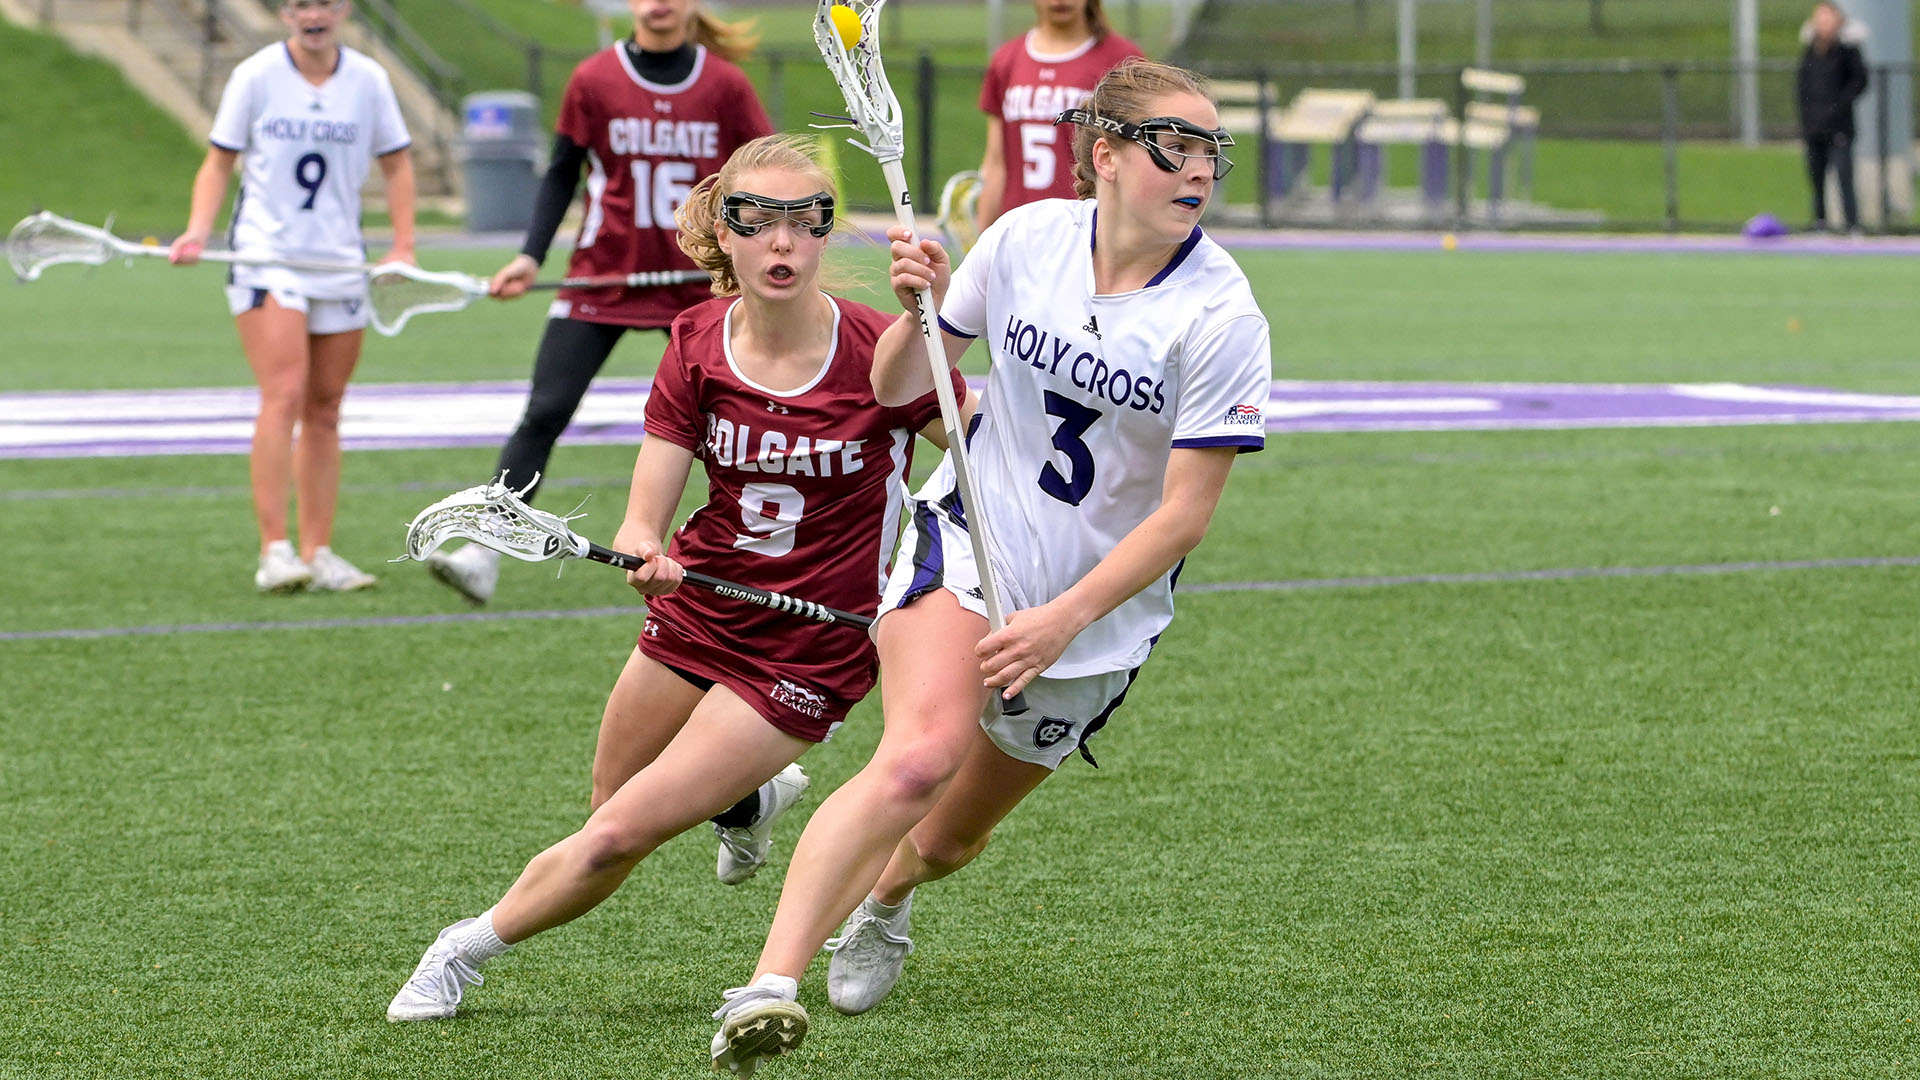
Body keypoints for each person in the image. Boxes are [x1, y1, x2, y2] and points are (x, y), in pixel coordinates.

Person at [708, 60, 1272, 1074]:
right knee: (916, 758)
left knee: (948, 840)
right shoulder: (1021, 241)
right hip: (966, 536)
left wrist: (1061, 622)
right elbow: (894, 390)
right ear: (1105, 154)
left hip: (1093, 616)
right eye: (1173, 146)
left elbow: (1184, 516)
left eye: (1210, 152)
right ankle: (768, 986)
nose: (1199, 169)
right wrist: (913, 311)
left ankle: (886, 901)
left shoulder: (1222, 320)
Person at [385, 134, 968, 1024]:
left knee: (621, 834)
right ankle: (749, 802)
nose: (781, 244)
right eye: (757, 221)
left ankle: (461, 950)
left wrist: (938, 332)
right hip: (701, 608)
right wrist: (642, 545)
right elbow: (653, 487)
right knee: (605, 808)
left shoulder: (879, 354)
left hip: (808, 648)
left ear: (825, 236)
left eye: (803, 223)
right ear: (723, 232)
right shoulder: (697, 335)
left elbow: (982, 458)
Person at [425, 0, 774, 604]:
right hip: (605, 280)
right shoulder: (593, 79)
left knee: (748, 421)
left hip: (699, 284)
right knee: (544, 412)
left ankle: (769, 555)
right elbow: (563, 172)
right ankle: (483, 552)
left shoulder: (724, 85)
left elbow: (765, 178)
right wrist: (529, 257)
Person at [169, 0, 415, 592]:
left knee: (325, 408)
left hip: (338, 260)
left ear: (344, 10)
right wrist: (198, 231)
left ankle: (319, 551)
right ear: (284, 13)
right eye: (301, 3)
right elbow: (219, 160)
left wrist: (402, 245)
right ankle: (274, 550)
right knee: (282, 393)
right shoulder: (255, 75)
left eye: (325, 3)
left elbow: (398, 165)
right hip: (267, 257)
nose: (314, 14)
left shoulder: (368, 80)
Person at [976, 0, 1143, 228]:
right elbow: (996, 162)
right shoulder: (1006, 60)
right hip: (1019, 230)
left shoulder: (1123, 59)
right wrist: (983, 237)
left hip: (1089, 231)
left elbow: (1137, 159)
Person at [1796, 1, 1869, 234]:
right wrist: (1807, 116)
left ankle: (1852, 224)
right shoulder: (1810, 49)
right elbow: (1802, 85)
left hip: (1839, 126)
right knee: (1816, 177)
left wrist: (1839, 106)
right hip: (1814, 125)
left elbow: (1860, 81)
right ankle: (1820, 222)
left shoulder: (1848, 50)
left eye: (1828, 17)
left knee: (1844, 176)